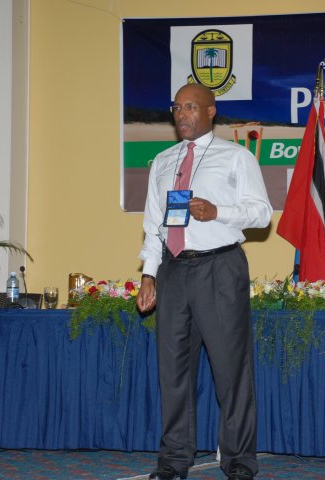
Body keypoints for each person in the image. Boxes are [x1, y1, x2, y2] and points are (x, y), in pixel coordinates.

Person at [137, 83, 272, 480]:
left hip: (219, 268)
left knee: (231, 369)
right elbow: (153, 224)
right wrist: (148, 274)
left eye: (191, 107)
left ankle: (239, 460)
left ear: (211, 111)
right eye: (177, 107)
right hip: (173, 271)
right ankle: (174, 460)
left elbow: (262, 213)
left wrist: (219, 212)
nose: (182, 114)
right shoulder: (163, 161)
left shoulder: (236, 157)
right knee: (173, 370)